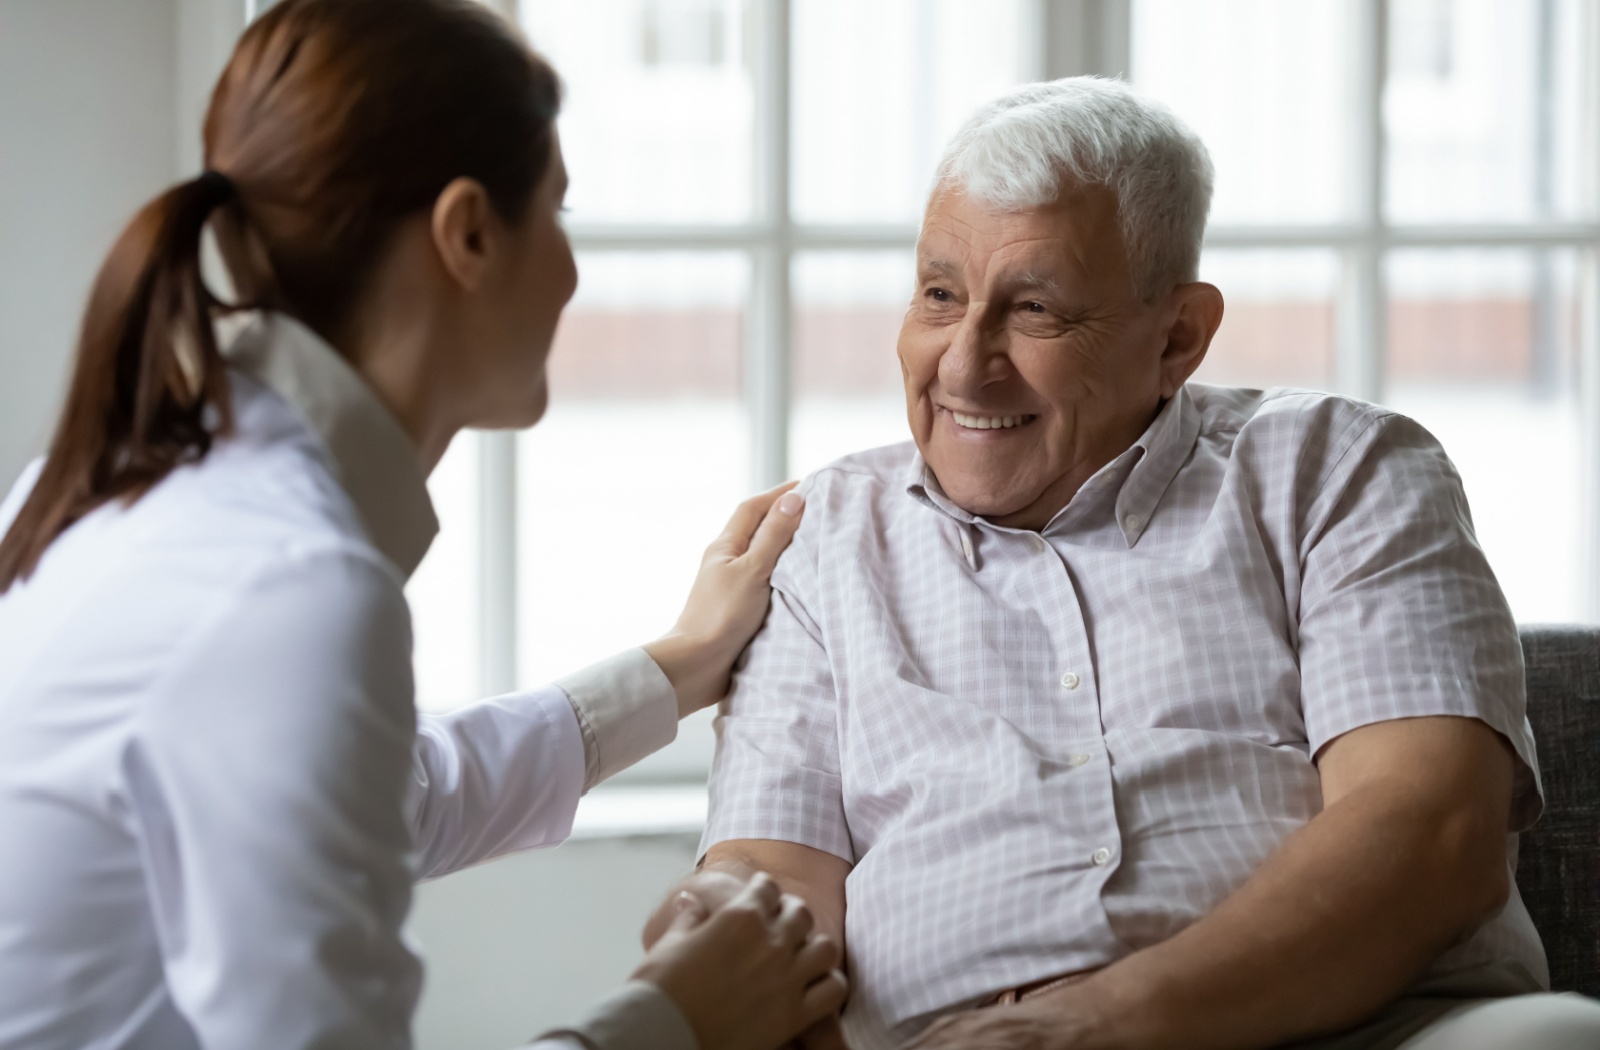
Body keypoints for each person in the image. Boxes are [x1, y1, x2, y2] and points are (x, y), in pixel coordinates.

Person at [646, 77, 1600, 1049]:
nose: (964, 364)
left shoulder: (1342, 472)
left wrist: (1105, 1024)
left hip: (1363, 1029)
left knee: (1553, 1040)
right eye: (940, 295)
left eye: (1035, 312)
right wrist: (719, 915)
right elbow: (773, 884)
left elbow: (1433, 831)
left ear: (1177, 335)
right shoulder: (822, 542)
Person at [0, 2, 846, 1049]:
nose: (576, 275)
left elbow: (398, 797)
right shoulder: (285, 586)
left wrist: (680, 666)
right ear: (469, 234)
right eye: (561, 215)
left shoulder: (133, 493)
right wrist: (675, 1020)